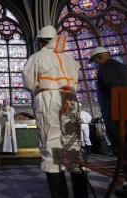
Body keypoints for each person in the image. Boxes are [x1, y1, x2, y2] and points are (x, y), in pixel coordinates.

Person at [22, 25, 88, 198]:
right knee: (74, 145)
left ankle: (60, 195)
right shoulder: (70, 59)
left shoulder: (37, 57)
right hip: (70, 98)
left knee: (51, 146)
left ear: (40, 42)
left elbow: (29, 83)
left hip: (48, 98)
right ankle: (81, 194)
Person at [89, 46, 127, 197]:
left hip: (117, 117)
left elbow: (118, 90)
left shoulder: (105, 68)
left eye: (94, 61)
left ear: (99, 58)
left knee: (124, 150)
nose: (95, 64)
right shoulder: (123, 67)